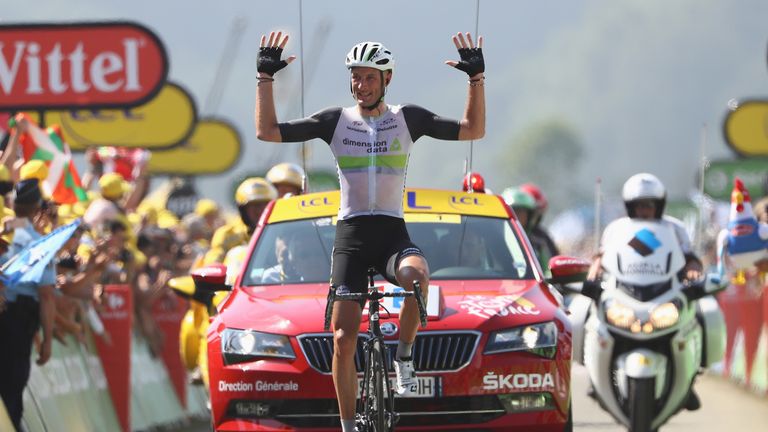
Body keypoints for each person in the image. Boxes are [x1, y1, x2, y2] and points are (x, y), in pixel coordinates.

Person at [254, 30, 485, 431]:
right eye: (356, 78)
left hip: (392, 234)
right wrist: (265, 79)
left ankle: (406, 355)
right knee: (343, 340)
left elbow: (472, 130)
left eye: (370, 78)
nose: (361, 86)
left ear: (387, 79)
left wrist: (475, 81)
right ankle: (347, 426)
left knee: (417, 276)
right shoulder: (335, 121)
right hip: (352, 239)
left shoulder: (406, 118)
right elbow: (268, 132)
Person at [586, 172, 703, 410]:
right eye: (639, 206)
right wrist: (593, 272)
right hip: (624, 295)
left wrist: (693, 272)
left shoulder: (674, 228)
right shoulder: (617, 229)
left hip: (666, 293)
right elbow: (600, 257)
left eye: (649, 205)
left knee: (702, 316)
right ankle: (594, 378)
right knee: (586, 316)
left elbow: (691, 259)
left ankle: (690, 379)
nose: (644, 211)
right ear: (630, 207)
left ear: (659, 206)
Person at [0, 179, 57, 430]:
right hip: (16, 321)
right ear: (37, 207)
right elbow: (46, 296)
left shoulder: (5, 231)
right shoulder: (40, 246)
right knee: (11, 387)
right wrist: (46, 339)